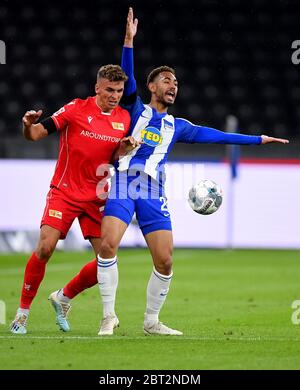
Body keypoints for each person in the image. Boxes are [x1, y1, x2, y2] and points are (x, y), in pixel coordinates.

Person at [52, 7, 289, 336]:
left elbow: (218, 135)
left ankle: (151, 322)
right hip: (121, 182)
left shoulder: (179, 126)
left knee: (165, 261)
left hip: (152, 191)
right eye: (166, 80)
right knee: (108, 247)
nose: (173, 85)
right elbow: (128, 73)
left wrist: (259, 139)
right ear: (151, 86)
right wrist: (128, 41)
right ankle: (108, 316)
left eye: (176, 82)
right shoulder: (134, 106)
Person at [10, 64, 140, 334]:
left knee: (106, 259)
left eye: (118, 91)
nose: (114, 95)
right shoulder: (76, 109)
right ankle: (22, 314)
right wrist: (27, 126)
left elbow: (114, 157)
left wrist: (123, 150)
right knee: (45, 248)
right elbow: (35, 134)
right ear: (97, 88)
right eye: (109, 90)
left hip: (97, 197)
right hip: (65, 191)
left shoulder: (124, 119)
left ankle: (63, 296)